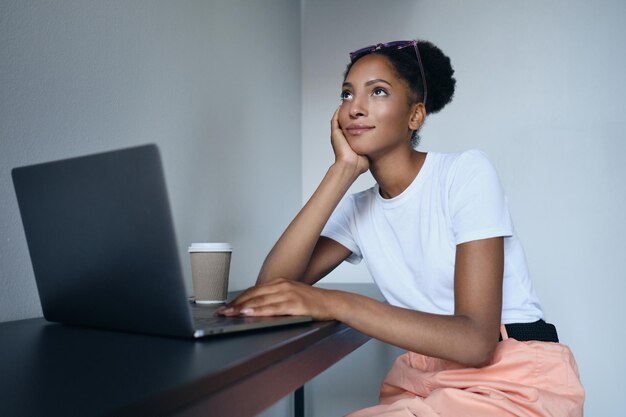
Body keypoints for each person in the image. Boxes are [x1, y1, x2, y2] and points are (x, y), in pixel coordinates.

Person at [217, 39, 585, 416]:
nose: (355, 108)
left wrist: (335, 302)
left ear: (415, 116)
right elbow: (271, 290)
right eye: (346, 94)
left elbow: (476, 341)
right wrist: (340, 172)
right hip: (427, 382)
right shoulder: (359, 209)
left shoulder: (465, 174)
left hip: (514, 379)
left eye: (377, 91)